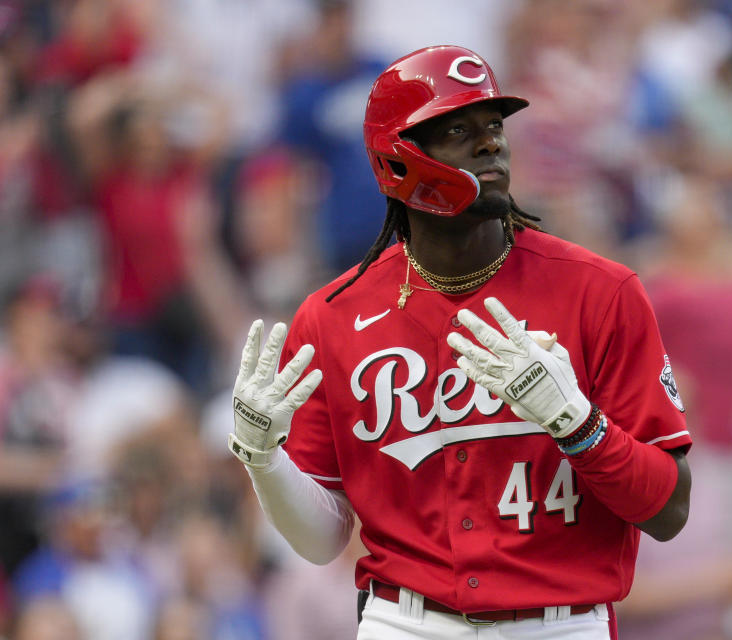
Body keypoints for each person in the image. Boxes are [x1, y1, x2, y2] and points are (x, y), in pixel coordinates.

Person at [227, 45, 692, 639]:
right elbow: (322, 544)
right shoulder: (332, 317)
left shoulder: (602, 291)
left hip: (561, 624)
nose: (490, 143)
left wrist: (579, 424)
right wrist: (262, 462)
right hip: (405, 623)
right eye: (457, 130)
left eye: (494, 125)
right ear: (396, 161)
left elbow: (669, 511)